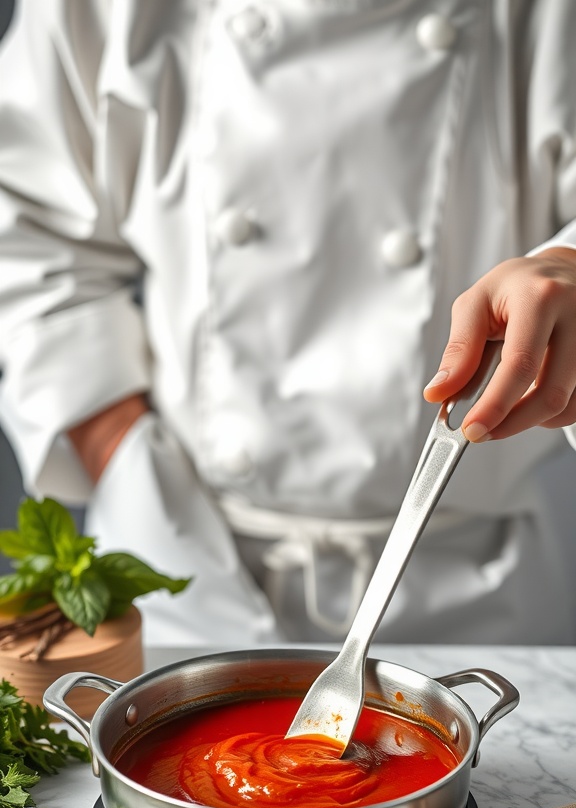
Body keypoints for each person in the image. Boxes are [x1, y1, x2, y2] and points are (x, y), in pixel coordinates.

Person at [0, 0, 575, 648]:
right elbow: (30, 236)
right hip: (182, 563)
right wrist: (119, 455)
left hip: (479, 587)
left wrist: (567, 266)